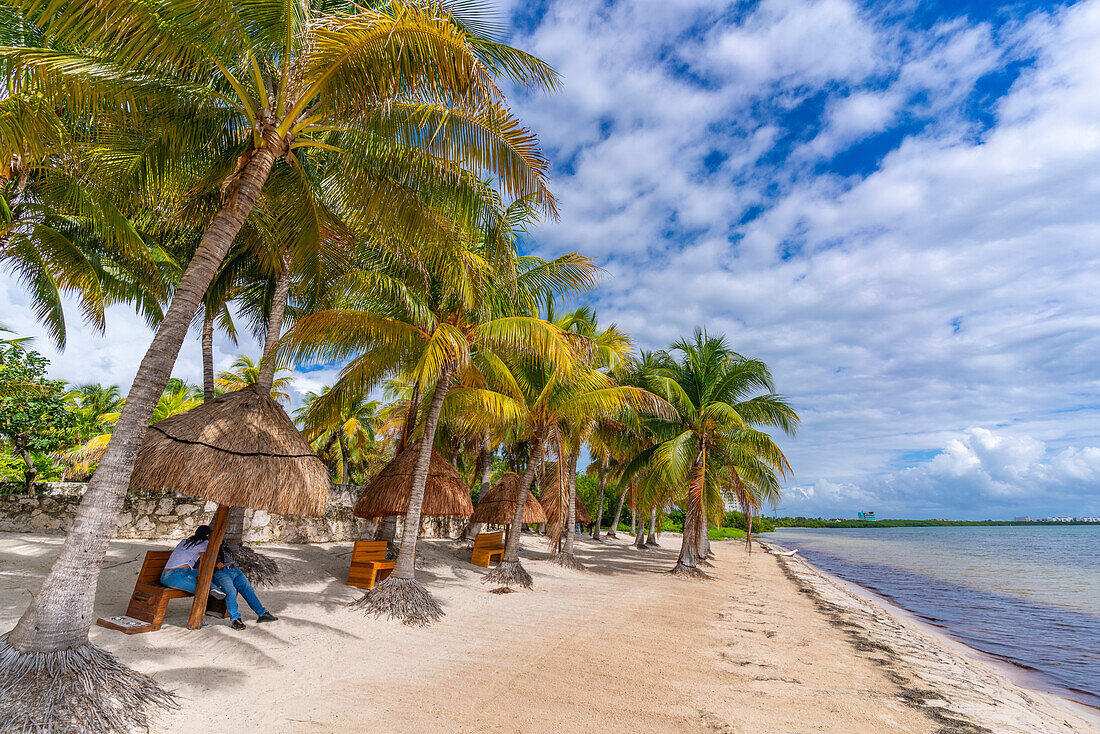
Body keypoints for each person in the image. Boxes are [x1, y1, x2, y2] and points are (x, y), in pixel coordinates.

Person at [161, 524, 278, 630]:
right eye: (211, 534)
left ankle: (262, 614)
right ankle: (232, 617)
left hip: (229, 570)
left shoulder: (186, 541)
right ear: (208, 536)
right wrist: (215, 565)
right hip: (190, 574)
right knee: (207, 590)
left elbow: (234, 549)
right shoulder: (204, 544)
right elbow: (203, 564)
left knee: (247, 589)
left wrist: (223, 543)